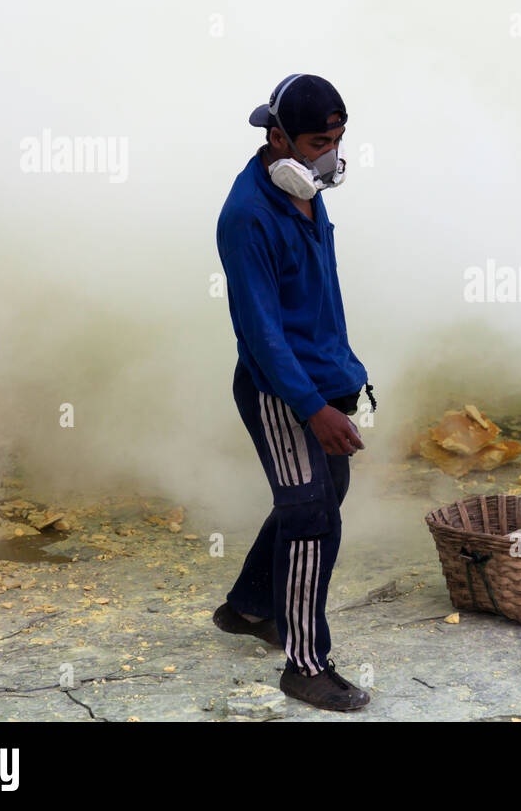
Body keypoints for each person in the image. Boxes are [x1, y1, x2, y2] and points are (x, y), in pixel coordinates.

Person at [212, 73, 374, 711]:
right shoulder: (248, 215)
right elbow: (262, 333)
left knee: (325, 489)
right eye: (316, 141)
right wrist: (312, 407)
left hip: (326, 377)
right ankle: (304, 665)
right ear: (276, 136)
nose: (328, 154)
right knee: (312, 514)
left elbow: (317, 299)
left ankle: (250, 607)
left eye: (337, 138)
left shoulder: (306, 193)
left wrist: (347, 379)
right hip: (280, 390)